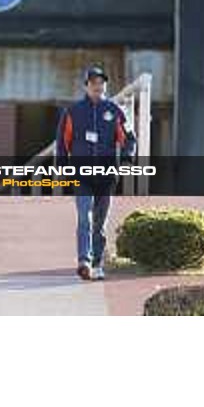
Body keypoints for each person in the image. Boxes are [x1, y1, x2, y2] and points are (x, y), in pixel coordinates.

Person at [56, 65, 136, 281]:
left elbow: (128, 138)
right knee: (84, 217)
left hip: (107, 175)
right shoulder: (72, 112)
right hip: (82, 175)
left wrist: (127, 157)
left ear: (105, 86)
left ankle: (97, 263)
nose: (98, 86)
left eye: (101, 83)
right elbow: (63, 143)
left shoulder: (115, 111)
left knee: (99, 223)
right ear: (86, 86)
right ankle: (84, 261)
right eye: (93, 83)